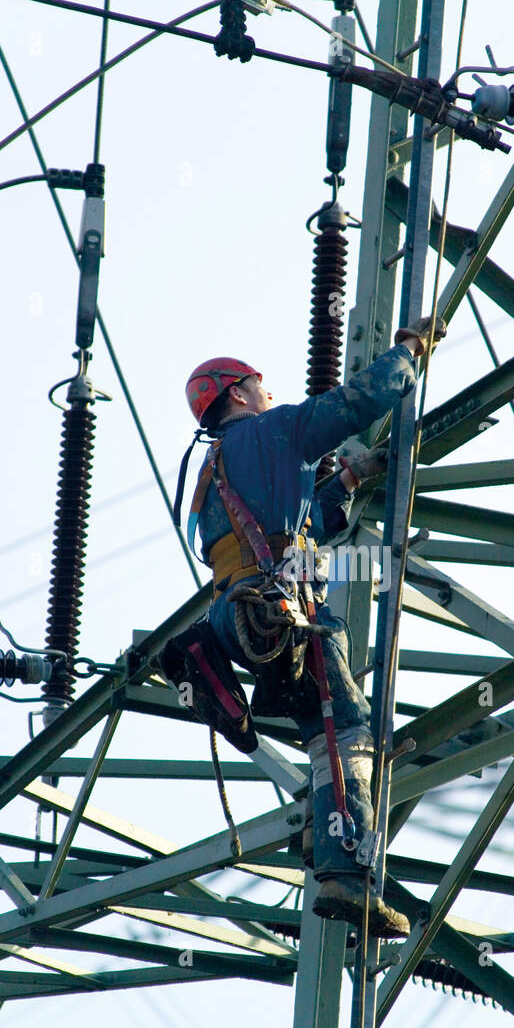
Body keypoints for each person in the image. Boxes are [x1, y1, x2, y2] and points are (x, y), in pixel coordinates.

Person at [163, 318, 446, 937]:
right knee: (349, 732)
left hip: (238, 621)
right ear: (239, 394)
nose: (270, 394)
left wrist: (349, 477)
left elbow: (286, 524)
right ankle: (347, 873)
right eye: (261, 387)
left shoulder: (216, 466)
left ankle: (323, 833)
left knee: (323, 734)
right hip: (280, 610)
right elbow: (358, 401)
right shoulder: (275, 430)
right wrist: (409, 350)